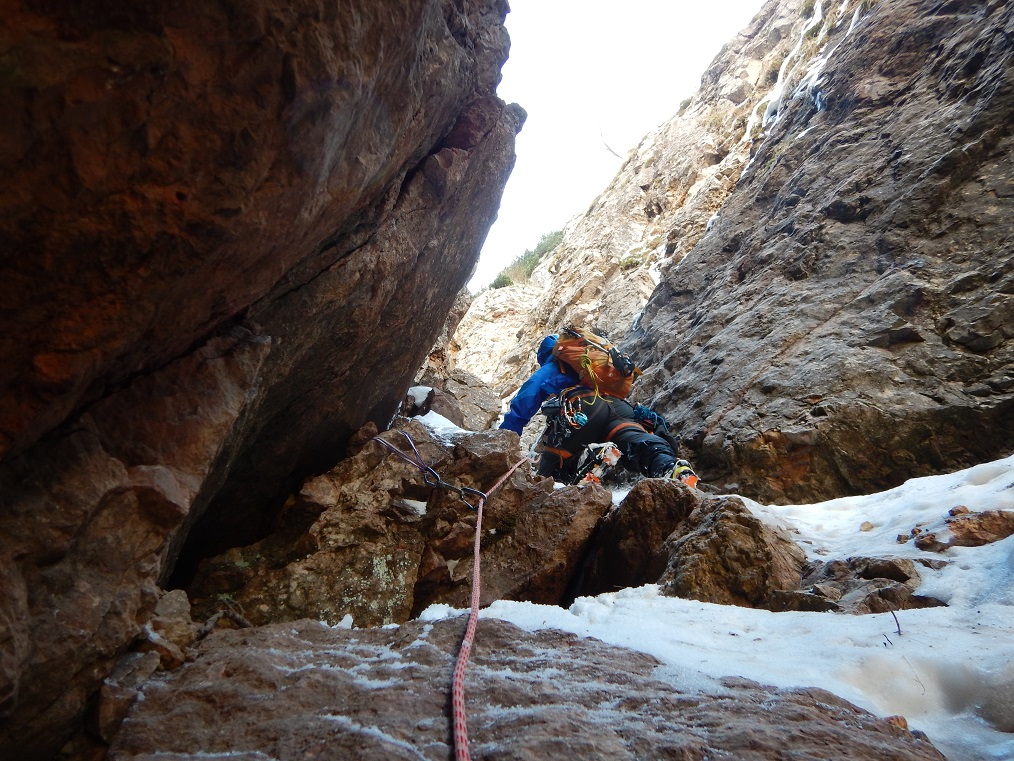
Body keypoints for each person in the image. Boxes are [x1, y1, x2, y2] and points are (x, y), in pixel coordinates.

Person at [500, 333, 697, 486]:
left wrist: (505, 438)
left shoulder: (555, 366)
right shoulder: (601, 368)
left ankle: (592, 457)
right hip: (621, 409)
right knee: (636, 442)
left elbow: (527, 396)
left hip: (583, 408)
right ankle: (672, 468)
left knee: (551, 471)